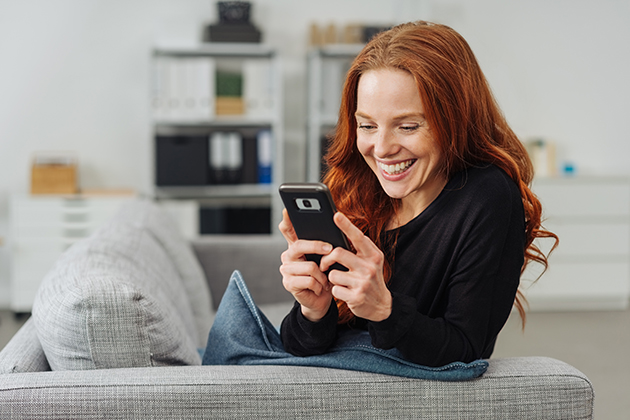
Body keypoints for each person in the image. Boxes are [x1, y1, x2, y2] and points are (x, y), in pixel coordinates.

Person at [277, 21, 558, 368]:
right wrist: (313, 310)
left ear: (455, 120)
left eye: (408, 126)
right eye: (367, 125)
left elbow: (468, 351)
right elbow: (296, 348)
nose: (381, 149)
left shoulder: (487, 196)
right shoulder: (357, 184)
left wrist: (384, 310)